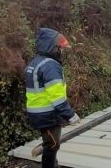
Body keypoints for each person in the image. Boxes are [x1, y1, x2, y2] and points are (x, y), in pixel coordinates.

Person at [25, 28, 80, 168]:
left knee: (50, 143)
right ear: (52, 48)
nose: (62, 52)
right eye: (60, 48)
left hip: (37, 113)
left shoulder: (36, 62)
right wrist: (70, 115)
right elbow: (57, 98)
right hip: (47, 115)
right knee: (52, 145)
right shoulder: (50, 66)